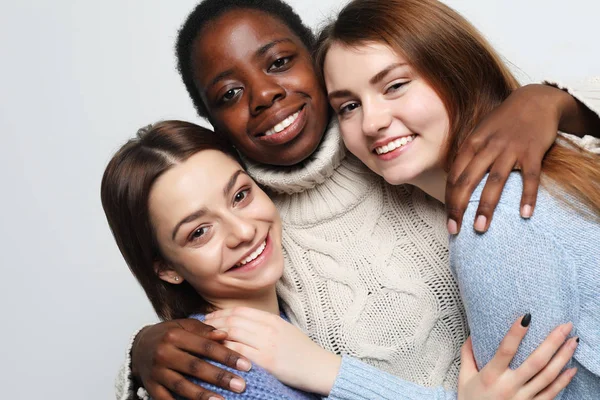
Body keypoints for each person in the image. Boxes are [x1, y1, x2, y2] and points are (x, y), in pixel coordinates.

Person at [114, 1, 600, 399]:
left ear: (317, 64)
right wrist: (140, 356)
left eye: (280, 62)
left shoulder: (412, 155)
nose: (263, 94)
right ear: (212, 123)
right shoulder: (255, 232)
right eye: (229, 93)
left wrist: (555, 100)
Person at [104, 120, 578, 400]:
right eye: (199, 231)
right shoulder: (225, 375)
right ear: (165, 267)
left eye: (241, 195)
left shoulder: (295, 312)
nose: (243, 231)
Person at [310, 0, 600, 397]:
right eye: (349, 106)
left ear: (457, 72)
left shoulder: (494, 219)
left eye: (395, 85)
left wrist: (333, 376)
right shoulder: (552, 164)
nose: (372, 122)